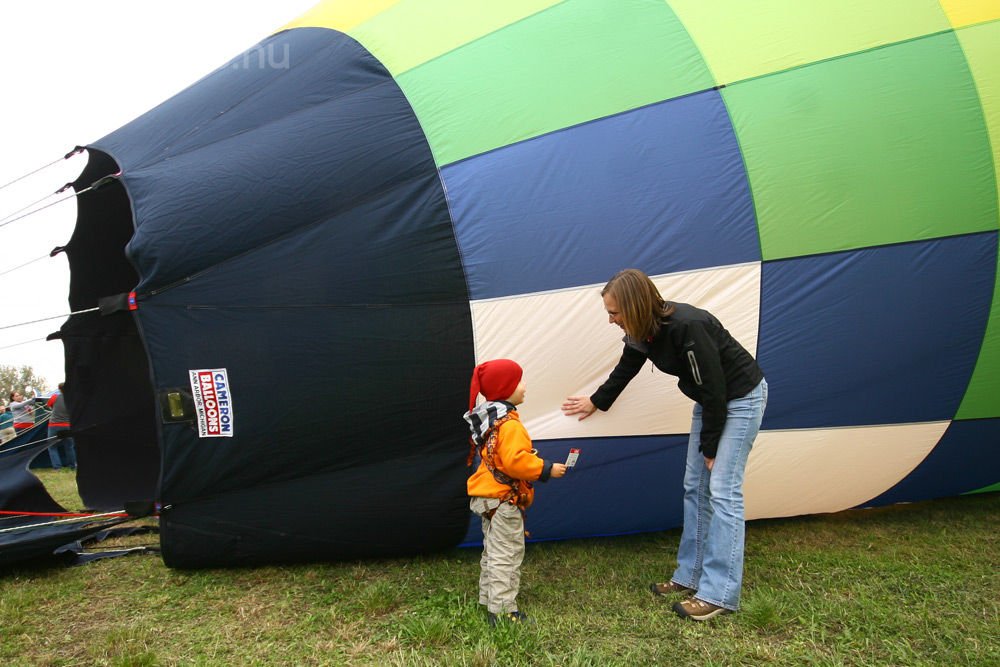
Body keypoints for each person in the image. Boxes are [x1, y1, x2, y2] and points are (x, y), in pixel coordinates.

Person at [562, 269, 767, 621]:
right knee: (694, 487)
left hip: (740, 399)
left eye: (615, 313)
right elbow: (626, 367)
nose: (611, 321)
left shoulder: (689, 326)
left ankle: (719, 592)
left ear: (636, 306)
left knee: (722, 490)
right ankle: (690, 575)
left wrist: (712, 447)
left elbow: (717, 390)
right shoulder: (643, 332)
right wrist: (596, 400)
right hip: (711, 401)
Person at [465, 359, 567, 627]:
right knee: (506, 554)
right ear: (505, 386)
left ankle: (488, 600)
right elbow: (514, 461)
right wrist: (546, 468)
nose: (524, 386)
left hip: (488, 498)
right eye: (519, 381)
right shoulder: (509, 425)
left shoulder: (491, 420)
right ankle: (502, 611)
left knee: (493, 552)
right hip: (503, 500)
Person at [46, 383, 77, 471]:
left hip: (54, 425)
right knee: (69, 447)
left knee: (52, 447)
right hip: (67, 425)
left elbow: (48, 405)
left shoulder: (55, 397)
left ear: (59, 389)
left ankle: (57, 467)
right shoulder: (72, 399)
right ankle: (73, 466)